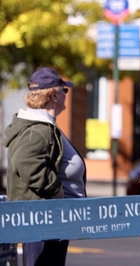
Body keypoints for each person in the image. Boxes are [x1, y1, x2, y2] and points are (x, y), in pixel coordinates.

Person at [4, 67, 87, 266]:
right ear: (54, 96)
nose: (66, 95)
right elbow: (26, 162)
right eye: (64, 91)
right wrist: (56, 190)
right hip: (42, 218)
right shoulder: (38, 130)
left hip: (51, 219)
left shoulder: (44, 126)